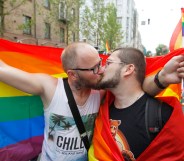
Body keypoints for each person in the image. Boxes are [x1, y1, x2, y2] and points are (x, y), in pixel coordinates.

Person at [0, 42, 184, 161]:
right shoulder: (50, 87)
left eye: (102, 63)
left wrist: (161, 78)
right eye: (94, 68)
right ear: (72, 74)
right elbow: (4, 71)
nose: (101, 70)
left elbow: (133, 88)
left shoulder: (101, 92)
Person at [88, 47, 184, 161]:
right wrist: (161, 78)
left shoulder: (163, 115)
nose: (102, 69)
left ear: (128, 69)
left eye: (108, 63)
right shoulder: (102, 106)